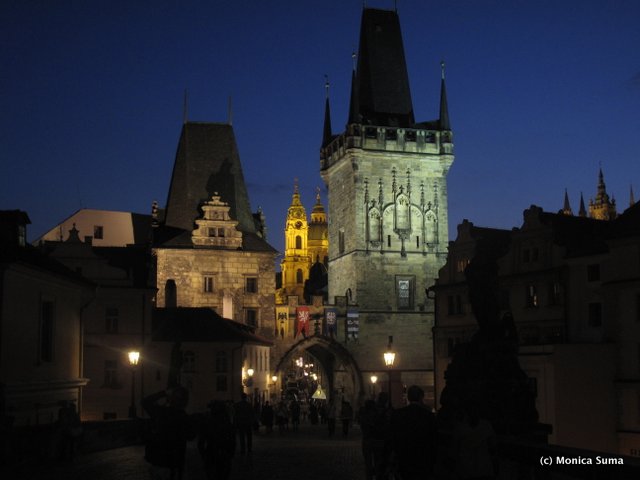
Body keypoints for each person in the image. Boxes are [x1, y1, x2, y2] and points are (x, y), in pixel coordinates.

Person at [143, 387, 196, 480]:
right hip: (174, 464)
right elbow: (191, 436)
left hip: (158, 462)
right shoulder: (185, 418)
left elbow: (145, 402)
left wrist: (163, 393)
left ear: (171, 399)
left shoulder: (161, 412)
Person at [390, 385, 437, 480]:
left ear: (408, 397)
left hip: (404, 455)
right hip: (423, 456)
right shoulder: (428, 415)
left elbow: (394, 435)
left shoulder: (398, 414)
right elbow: (433, 438)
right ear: (421, 397)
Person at [452, 405, 496, 480]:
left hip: (477, 466)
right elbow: (492, 446)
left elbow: (456, 448)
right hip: (474, 466)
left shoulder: (461, 427)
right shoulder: (486, 425)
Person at [198, 400, 235, 480]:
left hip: (211, 452)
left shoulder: (208, 422)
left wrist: (204, 455)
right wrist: (231, 453)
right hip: (224, 453)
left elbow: (201, 442)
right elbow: (232, 439)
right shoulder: (226, 422)